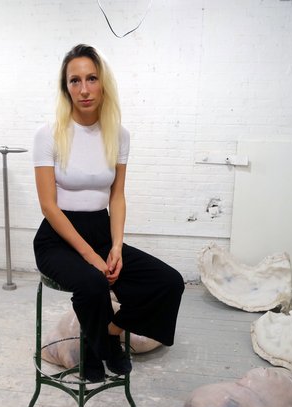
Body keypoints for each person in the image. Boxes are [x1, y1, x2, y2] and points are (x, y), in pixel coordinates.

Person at [32, 44, 184, 382]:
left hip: (101, 231)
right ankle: (103, 349)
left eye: (91, 79)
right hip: (57, 238)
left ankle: (104, 334)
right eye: (74, 81)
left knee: (168, 282)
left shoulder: (119, 135)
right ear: (65, 87)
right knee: (92, 281)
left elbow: (117, 196)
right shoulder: (48, 135)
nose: (84, 89)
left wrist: (115, 247)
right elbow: (48, 205)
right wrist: (91, 257)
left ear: (103, 84)